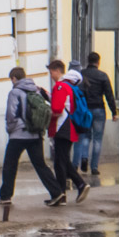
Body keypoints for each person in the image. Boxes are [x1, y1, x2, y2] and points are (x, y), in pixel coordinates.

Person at [0, 67, 65, 206]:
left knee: (10, 164)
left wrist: (10, 130)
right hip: (36, 134)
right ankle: (58, 193)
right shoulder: (37, 90)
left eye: (12, 79)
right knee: (40, 165)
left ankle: (5, 196)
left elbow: (11, 114)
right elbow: (51, 101)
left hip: (18, 134)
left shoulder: (14, 92)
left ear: (14, 78)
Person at [48, 59, 91, 204]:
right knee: (61, 160)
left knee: (61, 161)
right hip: (68, 127)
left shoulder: (60, 87)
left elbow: (57, 109)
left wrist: (48, 113)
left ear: (57, 71)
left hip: (62, 127)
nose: (51, 74)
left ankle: (76, 186)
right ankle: (62, 194)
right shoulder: (68, 87)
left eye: (51, 71)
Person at [76, 51, 118, 178]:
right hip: (99, 109)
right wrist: (114, 112)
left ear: (88, 61)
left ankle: (84, 158)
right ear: (98, 62)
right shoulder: (103, 76)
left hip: (85, 110)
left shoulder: (81, 75)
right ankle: (94, 167)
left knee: (86, 136)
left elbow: (77, 92)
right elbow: (109, 95)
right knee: (97, 139)